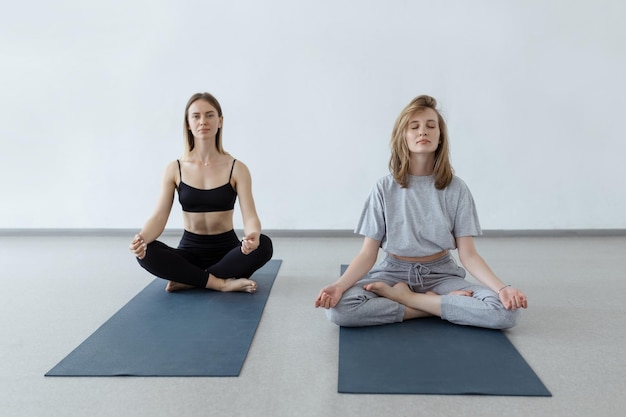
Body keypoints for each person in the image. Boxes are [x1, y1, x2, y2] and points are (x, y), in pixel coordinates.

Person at [314, 95, 527, 328]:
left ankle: (407, 300)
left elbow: (469, 255)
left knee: (506, 313)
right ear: (403, 137)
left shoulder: (457, 189)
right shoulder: (384, 188)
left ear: (440, 136)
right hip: (392, 272)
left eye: (430, 126)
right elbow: (367, 254)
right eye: (414, 127)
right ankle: (430, 307)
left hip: (441, 274)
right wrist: (339, 286)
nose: (422, 131)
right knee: (340, 311)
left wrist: (502, 288)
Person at [129, 92, 273, 293]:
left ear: (220, 121)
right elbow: (159, 217)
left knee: (264, 245)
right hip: (189, 252)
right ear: (188, 123)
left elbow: (251, 216)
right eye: (196, 116)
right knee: (147, 253)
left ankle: (191, 278)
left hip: (228, 253)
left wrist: (253, 235)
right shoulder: (174, 169)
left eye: (210, 115)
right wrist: (142, 239)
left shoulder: (237, 168)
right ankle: (220, 283)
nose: (203, 121)